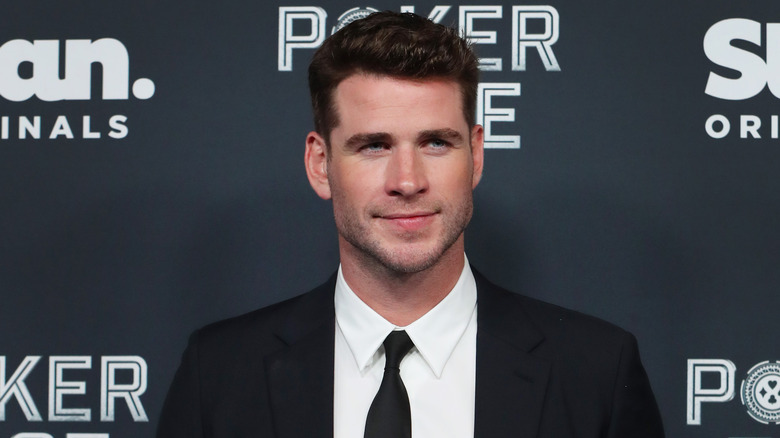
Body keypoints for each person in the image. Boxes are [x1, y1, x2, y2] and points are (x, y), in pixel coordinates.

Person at [157, 11, 664, 438]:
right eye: (374, 145)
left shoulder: (598, 372)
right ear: (320, 164)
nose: (407, 181)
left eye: (436, 143)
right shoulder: (219, 373)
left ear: (477, 156)